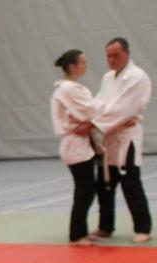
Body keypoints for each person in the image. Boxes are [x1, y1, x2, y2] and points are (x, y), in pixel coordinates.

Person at [85, 38, 154, 244]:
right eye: (108, 56)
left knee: (130, 183)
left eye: (116, 55)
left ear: (127, 53)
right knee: (104, 185)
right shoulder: (108, 77)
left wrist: (95, 123)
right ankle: (105, 227)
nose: (112, 60)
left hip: (126, 137)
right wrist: (88, 116)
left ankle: (143, 228)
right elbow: (99, 103)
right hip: (108, 137)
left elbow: (123, 108)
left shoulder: (137, 76)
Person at [51, 49, 104, 245]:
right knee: (84, 190)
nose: (85, 65)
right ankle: (76, 235)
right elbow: (92, 110)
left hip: (79, 143)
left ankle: (81, 230)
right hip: (75, 144)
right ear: (72, 66)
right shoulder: (69, 89)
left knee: (86, 189)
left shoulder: (69, 89)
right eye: (82, 62)